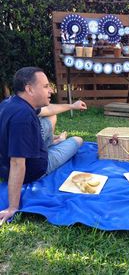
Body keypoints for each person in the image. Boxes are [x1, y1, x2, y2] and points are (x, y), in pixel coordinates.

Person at [0, 66, 87, 225]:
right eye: (46, 86)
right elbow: (17, 163)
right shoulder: (23, 118)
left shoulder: (11, 102)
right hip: (37, 168)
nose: (51, 91)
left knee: (50, 116)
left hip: (5, 164)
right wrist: (12, 207)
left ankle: (54, 141)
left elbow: (50, 109)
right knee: (78, 140)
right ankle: (56, 142)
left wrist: (72, 106)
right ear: (30, 89)